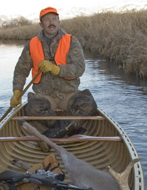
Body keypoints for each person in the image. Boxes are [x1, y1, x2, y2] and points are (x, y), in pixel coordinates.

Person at [10, 7, 97, 137]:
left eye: (54, 19)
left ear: (59, 22)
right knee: (32, 107)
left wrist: (56, 69)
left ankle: (53, 133)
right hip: (45, 96)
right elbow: (21, 70)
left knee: (88, 103)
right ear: (41, 24)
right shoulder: (31, 44)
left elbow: (79, 68)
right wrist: (17, 91)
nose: (52, 23)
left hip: (68, 94)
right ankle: (68, 129)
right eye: (47, 20)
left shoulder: (72, 41)